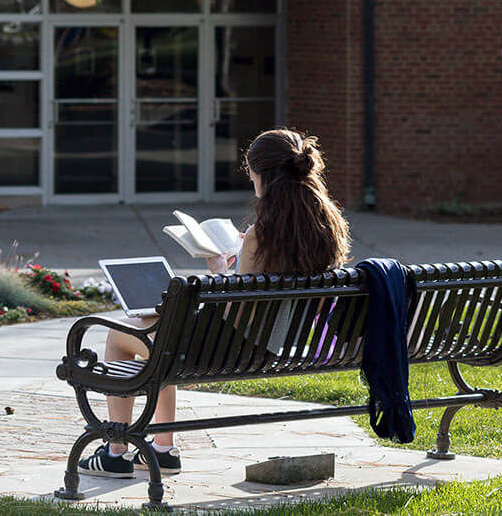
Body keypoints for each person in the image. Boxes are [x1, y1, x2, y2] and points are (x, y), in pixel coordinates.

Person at [77, 128, 352, 478]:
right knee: (158, 334)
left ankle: (116, 451)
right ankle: (162, 450)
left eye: (251, 174)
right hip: (278, 345)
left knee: (123, 337)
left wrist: (221, 270)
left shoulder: (261, 235)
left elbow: (236, 311)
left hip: (232, 351)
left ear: (261, 174)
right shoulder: (327, 229)